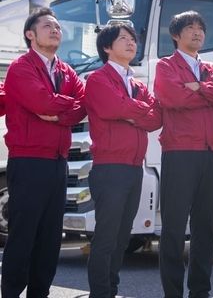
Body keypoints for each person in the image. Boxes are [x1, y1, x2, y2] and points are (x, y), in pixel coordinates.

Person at [1, 7, 86, 298]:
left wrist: (58, 112)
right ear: (30, 34)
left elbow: (83, 105)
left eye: (57, 27)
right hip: (28, 161)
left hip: (58, 162)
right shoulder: (21, 67)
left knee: (51, 237)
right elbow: (42, 103)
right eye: (48, 26)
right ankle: (10, 293)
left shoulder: (67, 71)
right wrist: (61, 106)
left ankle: (40, 293)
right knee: (23, 234)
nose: (55, 30)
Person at [154, 11, 213, 298]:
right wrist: (208, 96)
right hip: (179, 154)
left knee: (204, 229)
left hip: (211, 155)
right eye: (190, 27)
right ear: (176, 35)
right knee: (174, 229)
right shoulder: (166, 66)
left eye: (200, 27)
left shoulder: (211, 68)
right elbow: (173, 97)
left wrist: (199, 87)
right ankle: (173, 293)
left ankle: (200, 291)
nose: (197, 32)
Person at [84, 22, 162, 298]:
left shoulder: (136, 83)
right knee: (106, 236)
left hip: (134, 168)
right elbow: (112, 107)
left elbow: (156, 118)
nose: (131, 42)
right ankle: (99, 293)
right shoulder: (98, 79)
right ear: (107, 47)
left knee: (122, 236)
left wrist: (130, 113)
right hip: (110, 168)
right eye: (123, 38)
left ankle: (112, 289)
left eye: (133, 38)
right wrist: (135, 111)